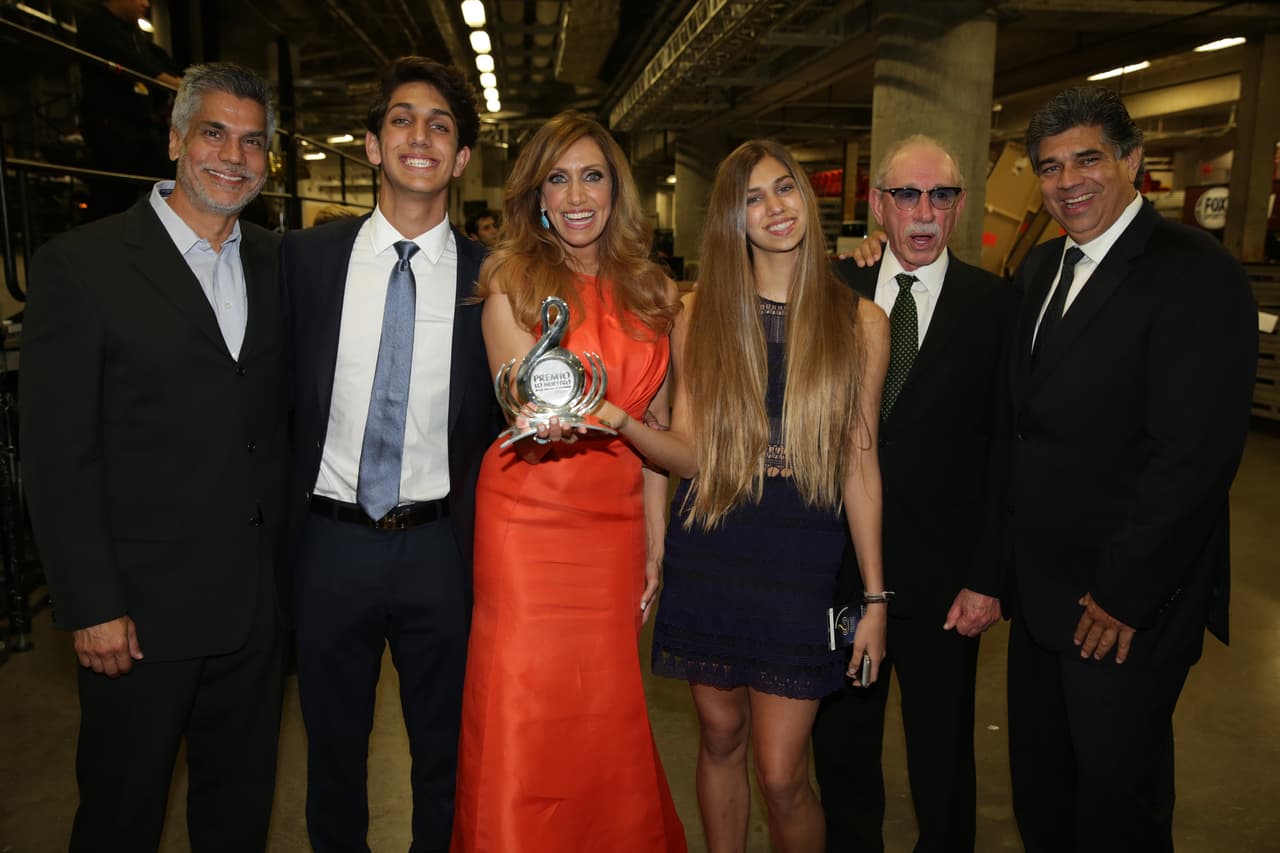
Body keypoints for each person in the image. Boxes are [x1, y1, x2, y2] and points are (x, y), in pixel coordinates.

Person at [22, 62, 286, 851]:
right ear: (175, 140)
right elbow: (58, 451)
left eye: (253, 142)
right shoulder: (82, 265)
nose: (233, 156)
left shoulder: (280, 263)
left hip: (253, 611)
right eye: (214, 133)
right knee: (120, 814)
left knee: (237, 815)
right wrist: (89, 602)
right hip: (137, 617)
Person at [1004, 86, 1257, 852]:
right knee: (1043, 790)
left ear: (1133, 163)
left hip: (1121, 606)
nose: (1067, 181)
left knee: (1117, 804)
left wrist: (1124, 594)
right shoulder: (1041, 268)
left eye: (1088, 158)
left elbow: (1196, 456)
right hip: (1041, 597)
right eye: (1050, 166)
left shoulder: (1194, 272)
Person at [450, 111, 687, 852]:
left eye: (593, 175)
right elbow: (520, 391)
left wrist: (656, 543)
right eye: (558, 177)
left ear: (617, 191)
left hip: (615, 528)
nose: (576, 194)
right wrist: (539, 409)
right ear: (537, 195)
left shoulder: (655, 292)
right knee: (524, 705)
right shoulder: (510, 281)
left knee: (607, 709)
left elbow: (660, 436)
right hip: (529, 521)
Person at [646, 139, 890, 853]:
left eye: (784, 188)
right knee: (720, 737)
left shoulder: (858, 322)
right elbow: (684, 448)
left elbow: (861, 467)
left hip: (800, 566)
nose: (774, 208)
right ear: (732, 217)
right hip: (713, 550)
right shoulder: (698, 316)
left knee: (783, 773)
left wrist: (875, 599)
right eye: (753, 198)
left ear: (807, 197)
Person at [280, 56, 498, 852]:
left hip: (440, 549)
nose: (420, 137)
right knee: (331, 755)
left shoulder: (491, 280)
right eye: (402, 120)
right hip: (330, 543)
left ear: (462, 159)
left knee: (445, 751)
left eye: (441, 126)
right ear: (371, 145)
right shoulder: (303, 262)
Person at [810, 135, 1016, 853]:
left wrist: (990, 577)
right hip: (838, 568)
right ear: (878, 204)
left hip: (946, 585)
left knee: (942, 756)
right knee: (842, 747)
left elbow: (1007, 455)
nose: (924, 212)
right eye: (907, 195)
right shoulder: (834, 289)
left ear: (960, 205)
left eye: (942, 195)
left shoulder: (995, 306)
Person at [77, 0, 183, 218]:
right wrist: (174, 84)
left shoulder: (136, 35)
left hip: (141, 127)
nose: (146, 4)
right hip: (111, 127)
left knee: (167, 176)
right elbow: (133, 64)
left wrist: (187, 80)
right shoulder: (96, 24)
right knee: (114, 195)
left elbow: (160, 61)